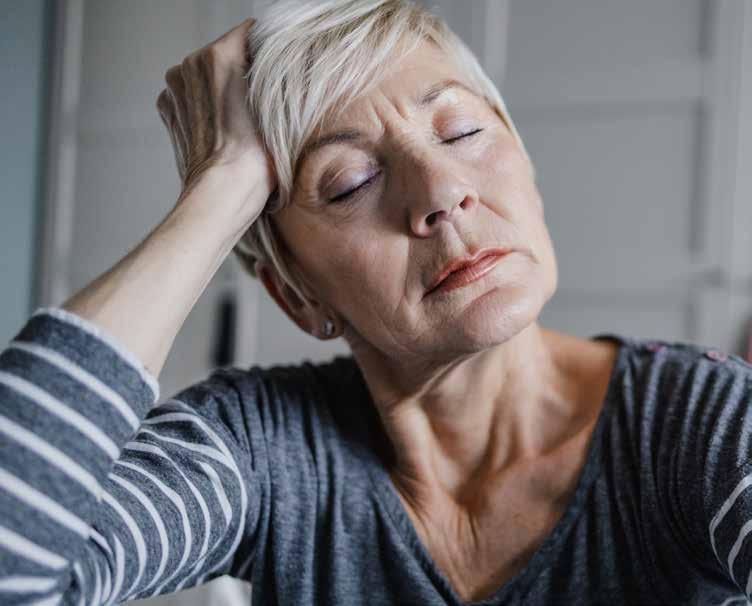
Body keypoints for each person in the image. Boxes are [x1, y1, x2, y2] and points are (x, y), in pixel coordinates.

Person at [1, 0, 751, 604]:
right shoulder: (262, 449)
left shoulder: (702, 423)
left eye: (461, 130)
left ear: (527, 169)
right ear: (297, 298)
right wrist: (222, 184)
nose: (442, 192)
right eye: (350, 183)